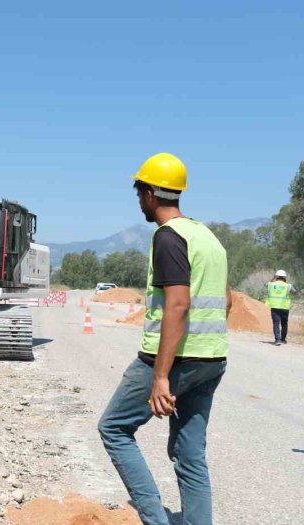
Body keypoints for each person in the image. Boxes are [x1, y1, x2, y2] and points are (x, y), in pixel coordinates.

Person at [98, 153, 231, 525]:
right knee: (189, 454)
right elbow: (229, 299)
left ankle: (155, 520)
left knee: (114, 427)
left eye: (139, 192)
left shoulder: (168, 237)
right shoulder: (206, 236)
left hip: (175, 361)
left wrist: (161, 376)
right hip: (212, 360)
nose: (138, 200)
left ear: (151, 194)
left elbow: (177, 304)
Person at [265, 270, 296, 345]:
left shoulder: (271, 284)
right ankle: (283, 339)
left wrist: (273, 278)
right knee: (284, 323)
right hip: (285, 307)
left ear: (276, 277)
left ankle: (277, 340)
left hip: (275, 307)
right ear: (285, 277)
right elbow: (295, 292)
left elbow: (265, 284)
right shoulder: (288, 286)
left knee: (276, 323)